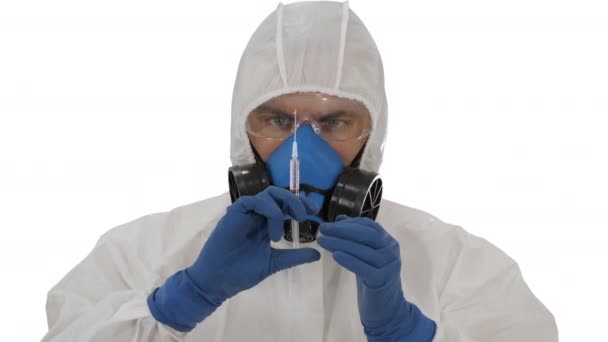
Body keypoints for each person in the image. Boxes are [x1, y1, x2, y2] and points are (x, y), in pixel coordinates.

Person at [41, 1, 558, 341]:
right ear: (241, 128)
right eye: (274, 119)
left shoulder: (456, 264)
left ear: (372, 132)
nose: (301, 148)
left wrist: (410, 334)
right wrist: (181, 301)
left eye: (334, 121)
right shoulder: (144, 251)